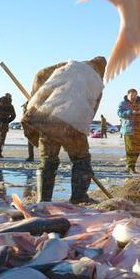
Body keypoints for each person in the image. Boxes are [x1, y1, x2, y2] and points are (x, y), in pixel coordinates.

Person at [22, 56, 106, 204]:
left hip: (47, 117)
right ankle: (79, 197)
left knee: (48, 159)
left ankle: (43, 200)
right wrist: (79, 130)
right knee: (81, 160)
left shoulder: (67, 66)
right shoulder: (97, 82)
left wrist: (35, 97)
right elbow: (92, 110)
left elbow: (41, 74)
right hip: (73, 122)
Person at [118, 89, 140, 174]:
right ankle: (130, 167)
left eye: (135, 95)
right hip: (129, 130)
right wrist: (131, 112)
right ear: (127, 95)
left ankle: (131, 165)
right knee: (130, 149)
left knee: (137, 149)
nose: (133, 97)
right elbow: (120, 113)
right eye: (131, 95)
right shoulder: (123, 103)